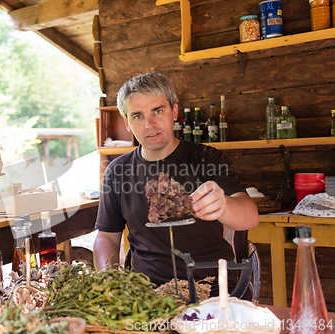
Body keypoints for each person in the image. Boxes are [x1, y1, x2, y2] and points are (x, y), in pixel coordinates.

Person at [93, 72, 259, 295]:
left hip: (215, 291)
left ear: (174, 112)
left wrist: (224, 205)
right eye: (138, 116)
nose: (149, 124)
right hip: (147, 295)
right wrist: (109, 281)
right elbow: (106, 236)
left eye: (157, 111)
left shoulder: (207, 159)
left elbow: (250, 216)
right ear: (127, 123)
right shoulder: (117, 171)